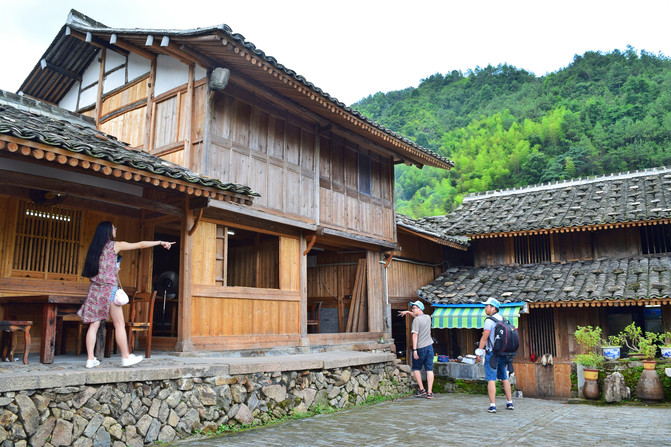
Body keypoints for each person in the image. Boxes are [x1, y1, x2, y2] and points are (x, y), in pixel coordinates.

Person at [78, 221, 174, 368]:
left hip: (95, 290)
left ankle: (90, 359)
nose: (116, 229)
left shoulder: (95, 249)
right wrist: (161, 242)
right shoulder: (114, 245)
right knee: (119, 324)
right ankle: (126, 356)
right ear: (108, 231)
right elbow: (140, 244)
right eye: (114, 228)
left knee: (94, 325)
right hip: (109, 290)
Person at [475, 297, 514, 413]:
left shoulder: (489, 320)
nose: (485, 308)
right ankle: (510, 402)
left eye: (487, 306)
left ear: (493, 308)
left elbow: (484, 337)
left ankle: (492, 405)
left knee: (491, 379)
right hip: (503, 353)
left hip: (492, 354)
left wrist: (479, 352)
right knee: (504, 378)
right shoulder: (503, 319)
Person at [398, 300, 434, 399]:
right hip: (429, 347)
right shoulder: (428, 317)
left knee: (416, 369)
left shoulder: (416, 321)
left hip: (420, 348)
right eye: (412, 308)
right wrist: (408, 312)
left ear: (420, 308)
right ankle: (430, 392)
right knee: (429, 369)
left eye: (414, 308)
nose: (412, 309)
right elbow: (418, 316)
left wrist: (414, 350)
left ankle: (422, 389)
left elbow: (415, 335)